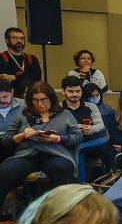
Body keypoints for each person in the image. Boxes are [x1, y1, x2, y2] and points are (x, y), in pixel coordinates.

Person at [0, 82, 82, 213]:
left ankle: (71, 212)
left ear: (51, 98)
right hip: (27, 155)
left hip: (56, 154)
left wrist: (56, 138)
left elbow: (77, 138)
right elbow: (5, 141)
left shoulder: (65, 114)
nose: (39, 103)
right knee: (7, 170)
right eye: (35, 100)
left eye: (43, 99)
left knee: (61, 169)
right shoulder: (23, 115)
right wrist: (21, 136)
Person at [60, 75, 108, 179]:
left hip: (91, 141)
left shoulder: (91, 106)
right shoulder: (59, 108)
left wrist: (91, 129)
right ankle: (81, 185)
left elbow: (100, 125)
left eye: (78, 91)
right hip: (69, 142)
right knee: (78, 152)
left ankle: (80, 185)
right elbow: (56, 128)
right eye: (71, 91)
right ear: (63, 91)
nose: (75, 94)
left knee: (103, 140)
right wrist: (76, 128)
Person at [0, 27, 42, 98]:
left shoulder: (32, 59)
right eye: (15, 38)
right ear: (7, 40)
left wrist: (14, 77)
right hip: (7, 99)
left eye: (22, 38)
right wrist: (24, 77)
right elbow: (3, 79)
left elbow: (36, 77)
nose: (19, 41)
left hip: (30, 97)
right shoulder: (1, 58)